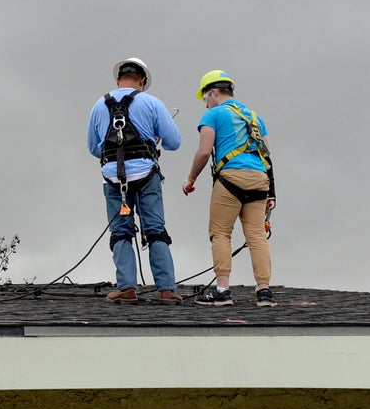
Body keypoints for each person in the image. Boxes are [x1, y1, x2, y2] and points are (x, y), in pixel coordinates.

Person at [87, 57, 183, 304]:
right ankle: (166, 289)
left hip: (113, 179)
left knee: (120, 231)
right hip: (146, 174)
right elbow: (174, 142)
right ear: (141, 80)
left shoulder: (99, 105)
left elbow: (93, 148)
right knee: (155, 229)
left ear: (118, 79)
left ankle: (126, 288)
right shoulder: (152, 103)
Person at [182, 70, 276, 307]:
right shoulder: (255, 117)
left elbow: (204, 152)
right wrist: (271, 192)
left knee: (221, 233)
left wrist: (190, 179)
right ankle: (264, 291)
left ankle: (222, 290)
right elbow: (267, 156)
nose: (205, 104)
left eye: (205, 98)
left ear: (214, 92)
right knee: (256, 235)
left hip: (230, 179)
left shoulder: (213, 115)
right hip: (259, 179)